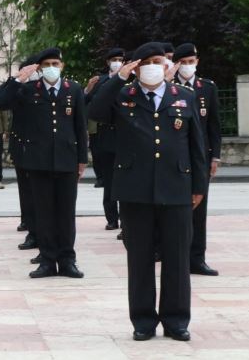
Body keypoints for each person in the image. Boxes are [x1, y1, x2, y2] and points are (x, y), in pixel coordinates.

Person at [88, 42, 208, 342]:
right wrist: (118, 78)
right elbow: (94, 110)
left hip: (176, 187)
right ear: (136, 67)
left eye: (159, 60)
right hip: (135, 190)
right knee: (139, 259)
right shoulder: (123, 96)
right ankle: (143, 321)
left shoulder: (184, 97)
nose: (154, 65)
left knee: (177, 257)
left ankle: (176, 319)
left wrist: (199, 187)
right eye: (147, 61)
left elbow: (197, 146)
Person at [0, 48, 89, 279]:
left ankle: (67, 260)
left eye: (55, 63)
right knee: (44, 213)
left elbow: (80, 126)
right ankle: (47, 260)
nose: (51, 68)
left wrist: (82, 159)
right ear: (39, 67)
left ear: (62, 66)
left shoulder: (73, 90)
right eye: (46, 64)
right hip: (38, 162)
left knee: (66, 213)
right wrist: (18, 79)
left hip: (66, 160)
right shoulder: (27, 90)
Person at [173, 43, 222, 276]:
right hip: (176, 159)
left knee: (199, 211)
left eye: (192, 61)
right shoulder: (169, 87)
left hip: (201, 159)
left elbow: (214, 126)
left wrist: (216, 157)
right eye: (184, 62)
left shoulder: (207, 88)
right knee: (176, 211)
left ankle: (197, 258)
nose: (188, 66)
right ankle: (175, 257)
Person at [0, 55, 39, 255]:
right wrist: (15, 80)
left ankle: (47, 233)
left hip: (46, 150)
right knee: (27, 193)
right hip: (22, 148)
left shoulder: (52, 89)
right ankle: (32, 230)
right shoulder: (18, 90)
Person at [85, 48, 125, 231]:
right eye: (114, 59)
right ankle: (111, 218)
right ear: (108, 62)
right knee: (109, 182)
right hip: (106, 136)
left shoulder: (131, 80)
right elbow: (86, 103)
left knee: (126, 181)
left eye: (120, 59)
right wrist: (87, 90)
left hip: (126, 136)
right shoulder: (100, 82)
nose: (117, 62)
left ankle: (126, 220)